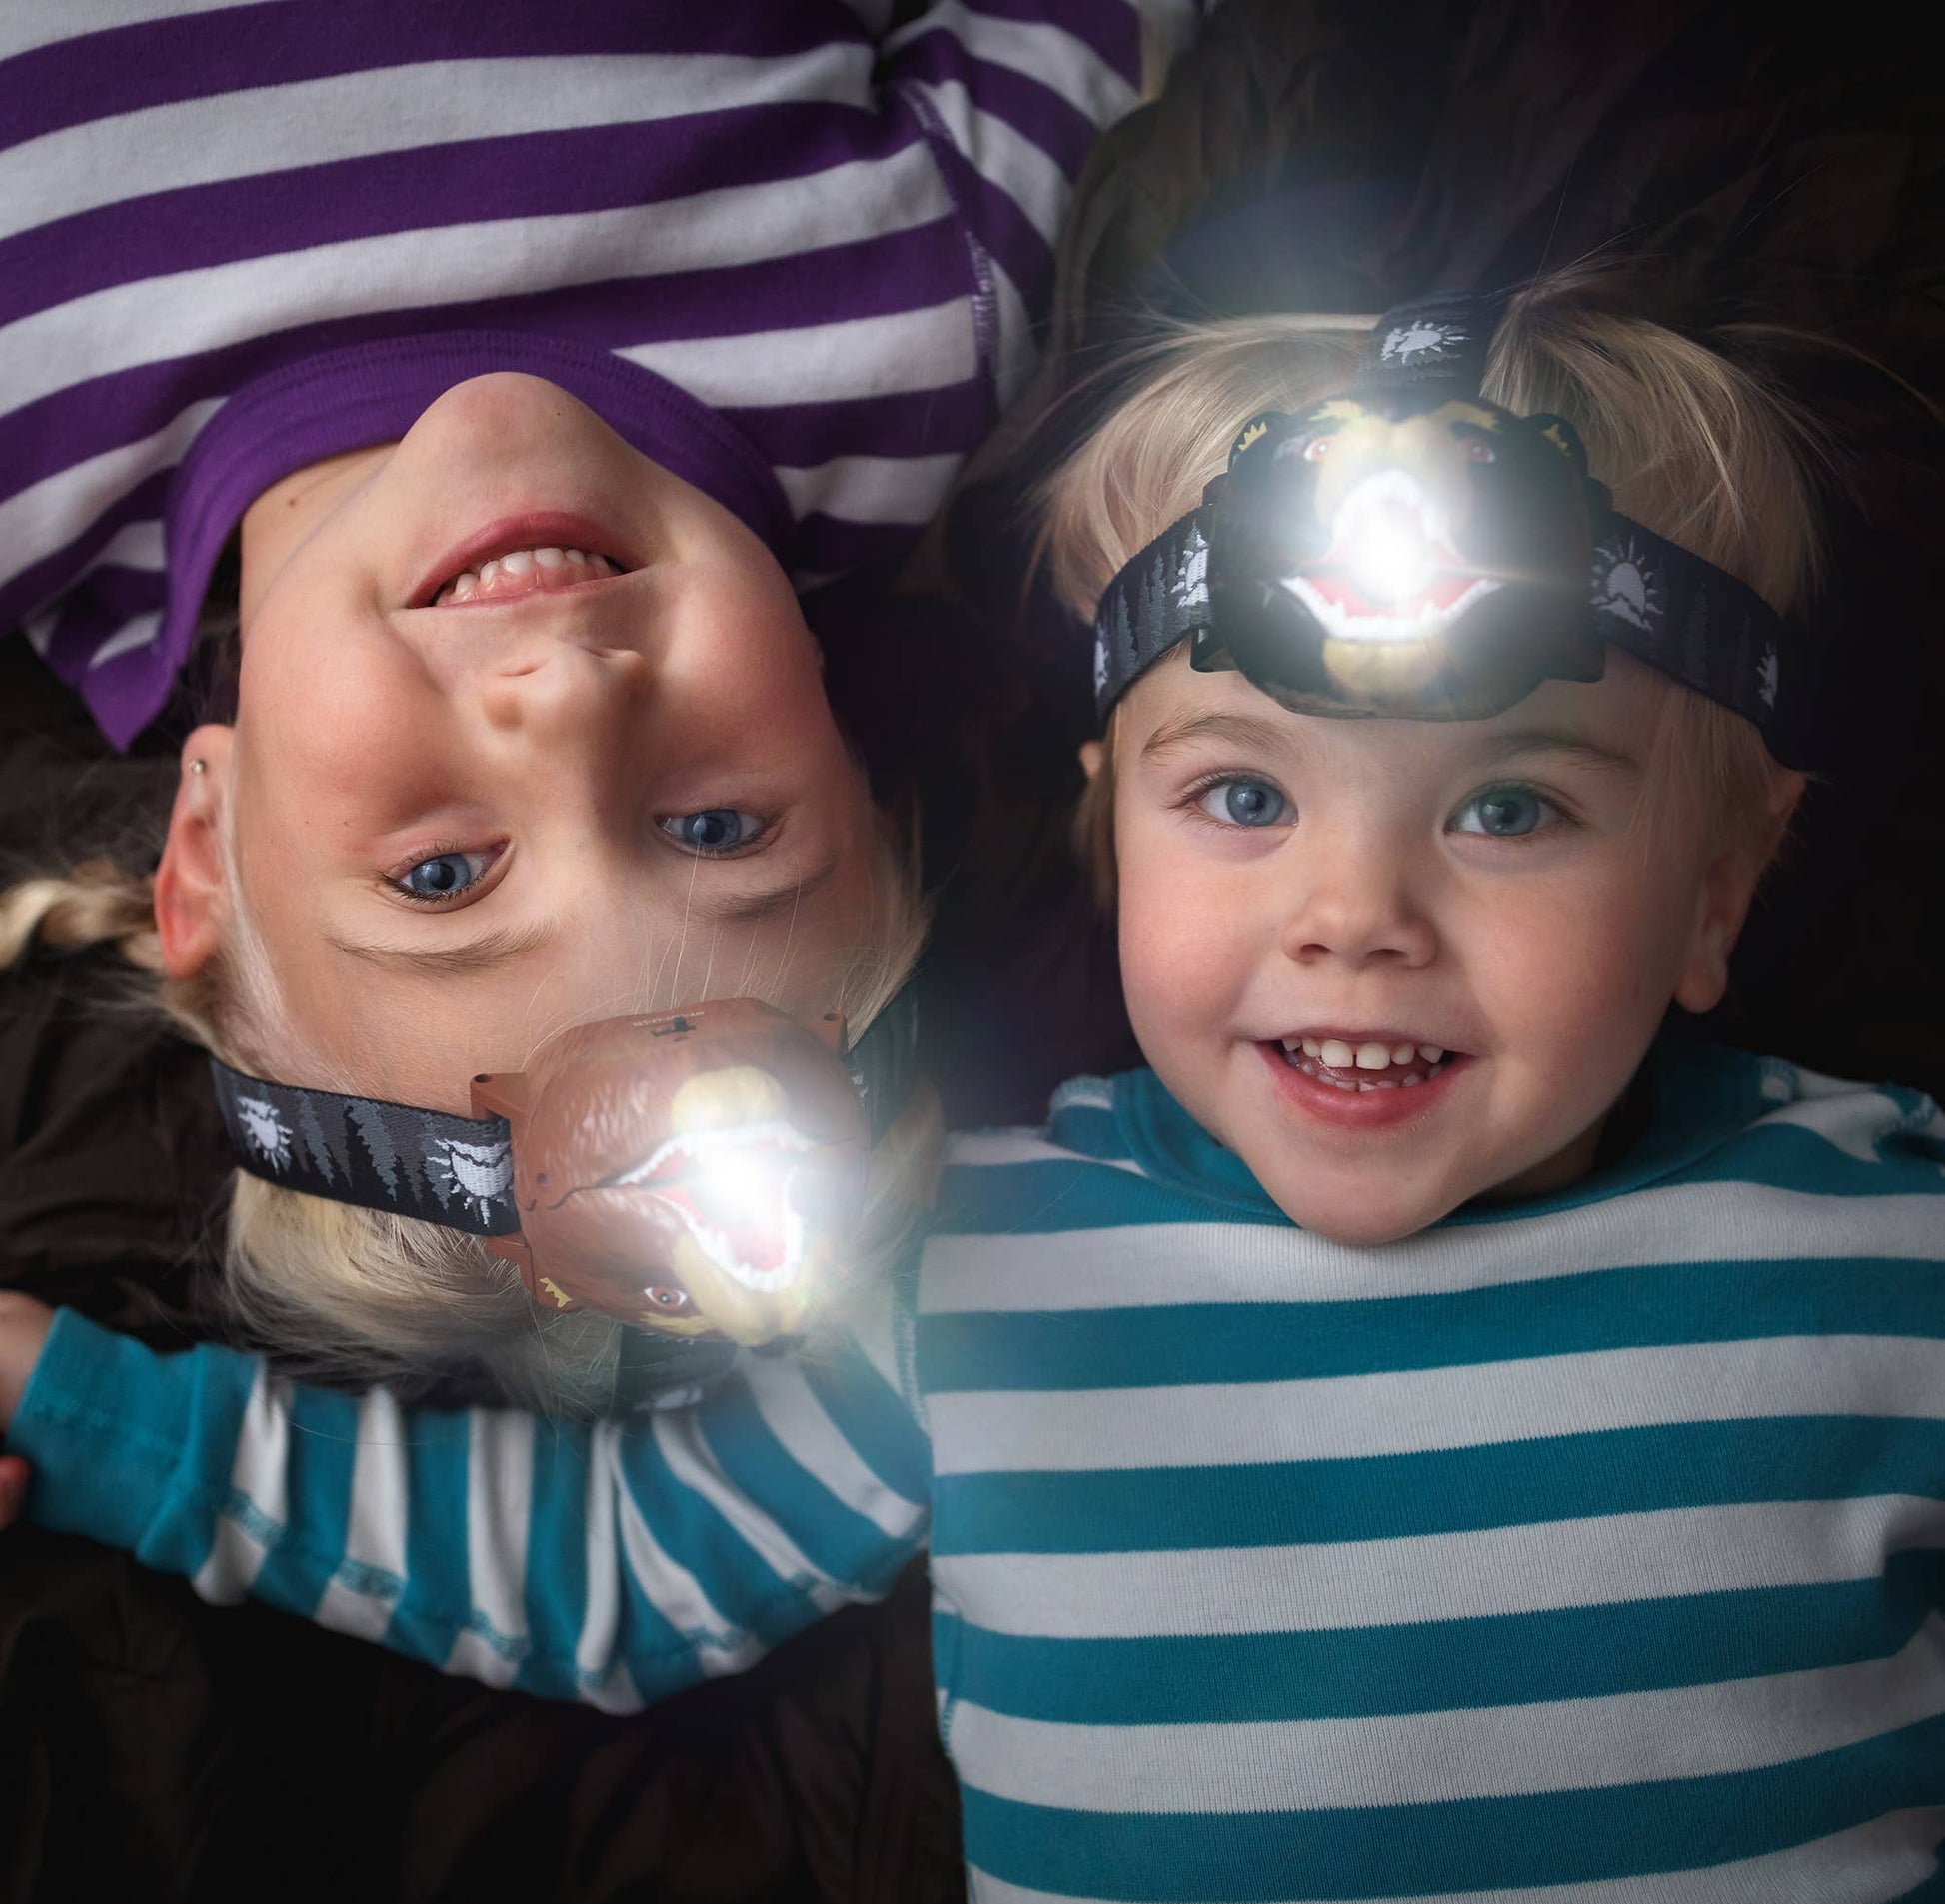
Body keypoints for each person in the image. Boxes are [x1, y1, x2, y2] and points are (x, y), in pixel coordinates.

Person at [7, 266, 1945, 1904]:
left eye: (1510, 805)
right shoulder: (982, 1274)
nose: (1354, 915)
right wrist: (60, 1399)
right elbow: (598, 1573)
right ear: (1110, 835)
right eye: (1242, 795)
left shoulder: (1887, 1248)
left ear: (1716, 886)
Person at [0, 0, 1189, 1396]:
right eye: (715, 828)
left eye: (442, 874)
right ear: (845, 750)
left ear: (201, 849)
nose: (567, 698)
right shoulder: (925, 329)